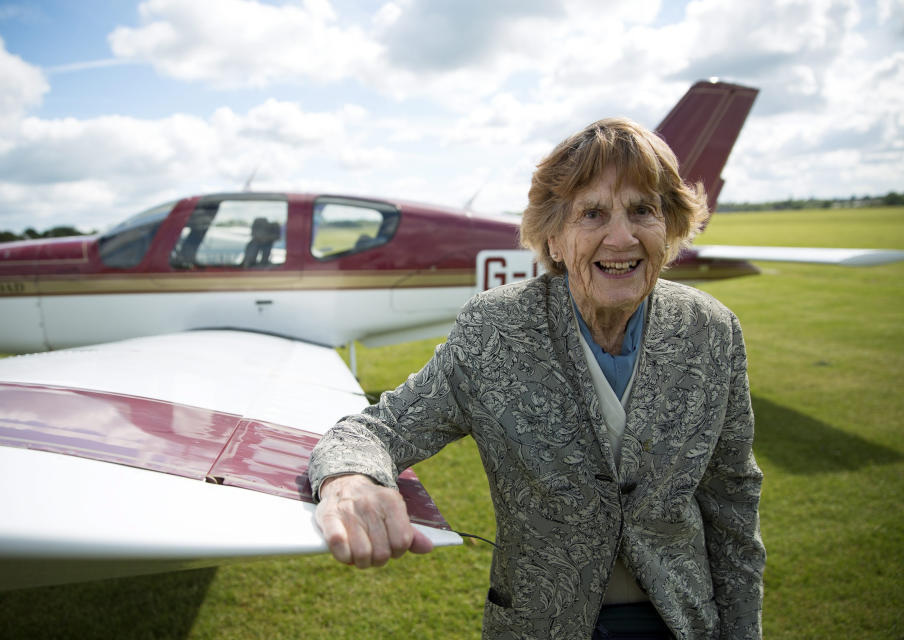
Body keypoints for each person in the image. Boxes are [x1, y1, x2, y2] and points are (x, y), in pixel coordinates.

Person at [308, 118, 765, 639]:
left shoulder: (712, 331)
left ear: (671, 226)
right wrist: (351, 480)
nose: (622, 237)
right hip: (540, 624)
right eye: (592, 213)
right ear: (553, 235)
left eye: (643, 210)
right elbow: (374, 432)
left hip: (680, 623)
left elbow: (733, 503)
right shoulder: (495, 330)